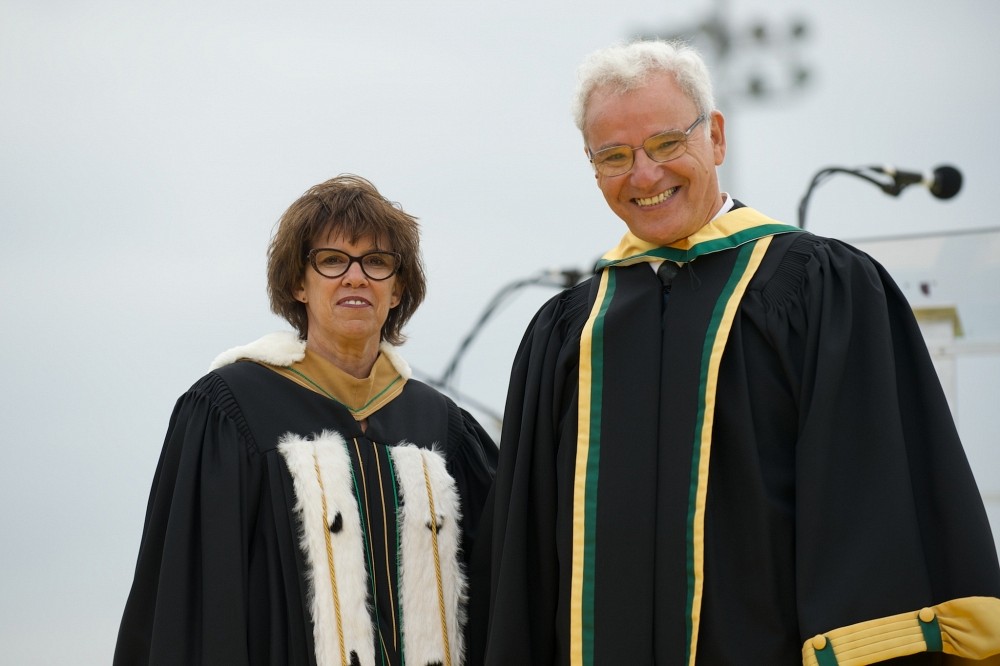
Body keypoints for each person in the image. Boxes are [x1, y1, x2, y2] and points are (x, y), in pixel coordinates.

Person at [480, 40, 1000, 665]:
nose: (644, 175)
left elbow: (872, 517)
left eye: (667, 144)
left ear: (716, 138)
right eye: (614, 156)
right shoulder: (566, 333)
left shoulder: (819, 290)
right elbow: (525, 572)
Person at [115, 174, 498, 666]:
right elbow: (192, 603)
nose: (355, 277)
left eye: (377, 262)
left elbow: (505, 587)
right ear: (299, 283)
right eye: (332, 260)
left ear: (398, 289)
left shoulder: (441, 427)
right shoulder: (233, 411)